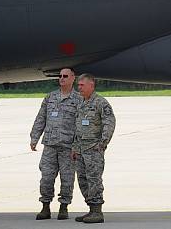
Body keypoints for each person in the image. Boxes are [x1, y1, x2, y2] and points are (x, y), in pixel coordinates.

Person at [30, 68, 81, 220]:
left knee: (67, 179)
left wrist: (78, 146)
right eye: (60, 76)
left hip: (68, 147)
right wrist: (34, 137)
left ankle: (64, 207)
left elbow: (81, 125)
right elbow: (41, 118)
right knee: (46, 177)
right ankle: (45, 206)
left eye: (65, 76)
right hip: (50, 146)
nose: (62, 78)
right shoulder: (50, 97)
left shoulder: (78, 100)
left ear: (73, 78)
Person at [71, 74, 115, 224]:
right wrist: (75, 148)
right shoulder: (81, 103)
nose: (79, 88)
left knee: (94, 180)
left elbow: (109, 123)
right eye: (79, 85)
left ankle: (97, 212)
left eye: (82, 85)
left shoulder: (100, 103)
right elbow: (77, 128)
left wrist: (102, 143)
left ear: (91, 85)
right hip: (81, 150)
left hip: (93, 150)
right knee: (83, 180)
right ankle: (91, 209)